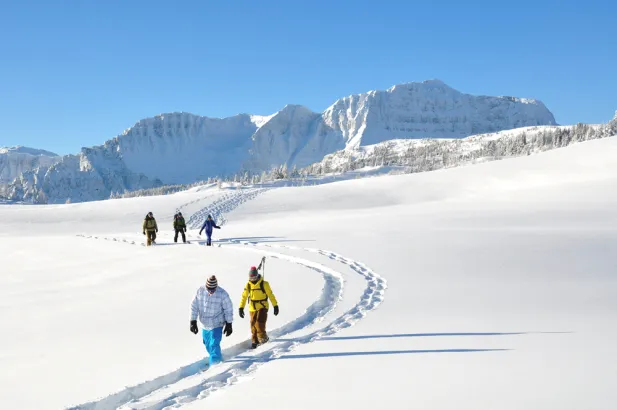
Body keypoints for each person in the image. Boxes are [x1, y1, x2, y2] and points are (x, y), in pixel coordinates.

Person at [190, 275, 234, 366]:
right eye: (209, 289)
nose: (211, 291)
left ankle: (215, 365)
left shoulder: (222, 294)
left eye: (213, 289)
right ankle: (216, 357)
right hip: (205, 324)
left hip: (217, 323)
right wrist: (193, 321)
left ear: (216, 287)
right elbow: (194, 306)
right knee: (207, 344)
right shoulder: (200, 291)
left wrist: (229, 324)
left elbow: (228, 309)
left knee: (214, 344)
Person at [238, 266, 279, 349]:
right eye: (251, 278)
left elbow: (270, 295)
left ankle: (263, 339)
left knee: (259, 323)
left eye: (254, 278)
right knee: (253, 324)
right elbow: (244, 296)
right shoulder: (248, 285)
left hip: (262, 306)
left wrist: (275, 306)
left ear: (257, 276)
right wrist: (241, 308)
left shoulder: (264, 284)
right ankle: (255, 341)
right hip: (252, 307)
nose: (252, 280)